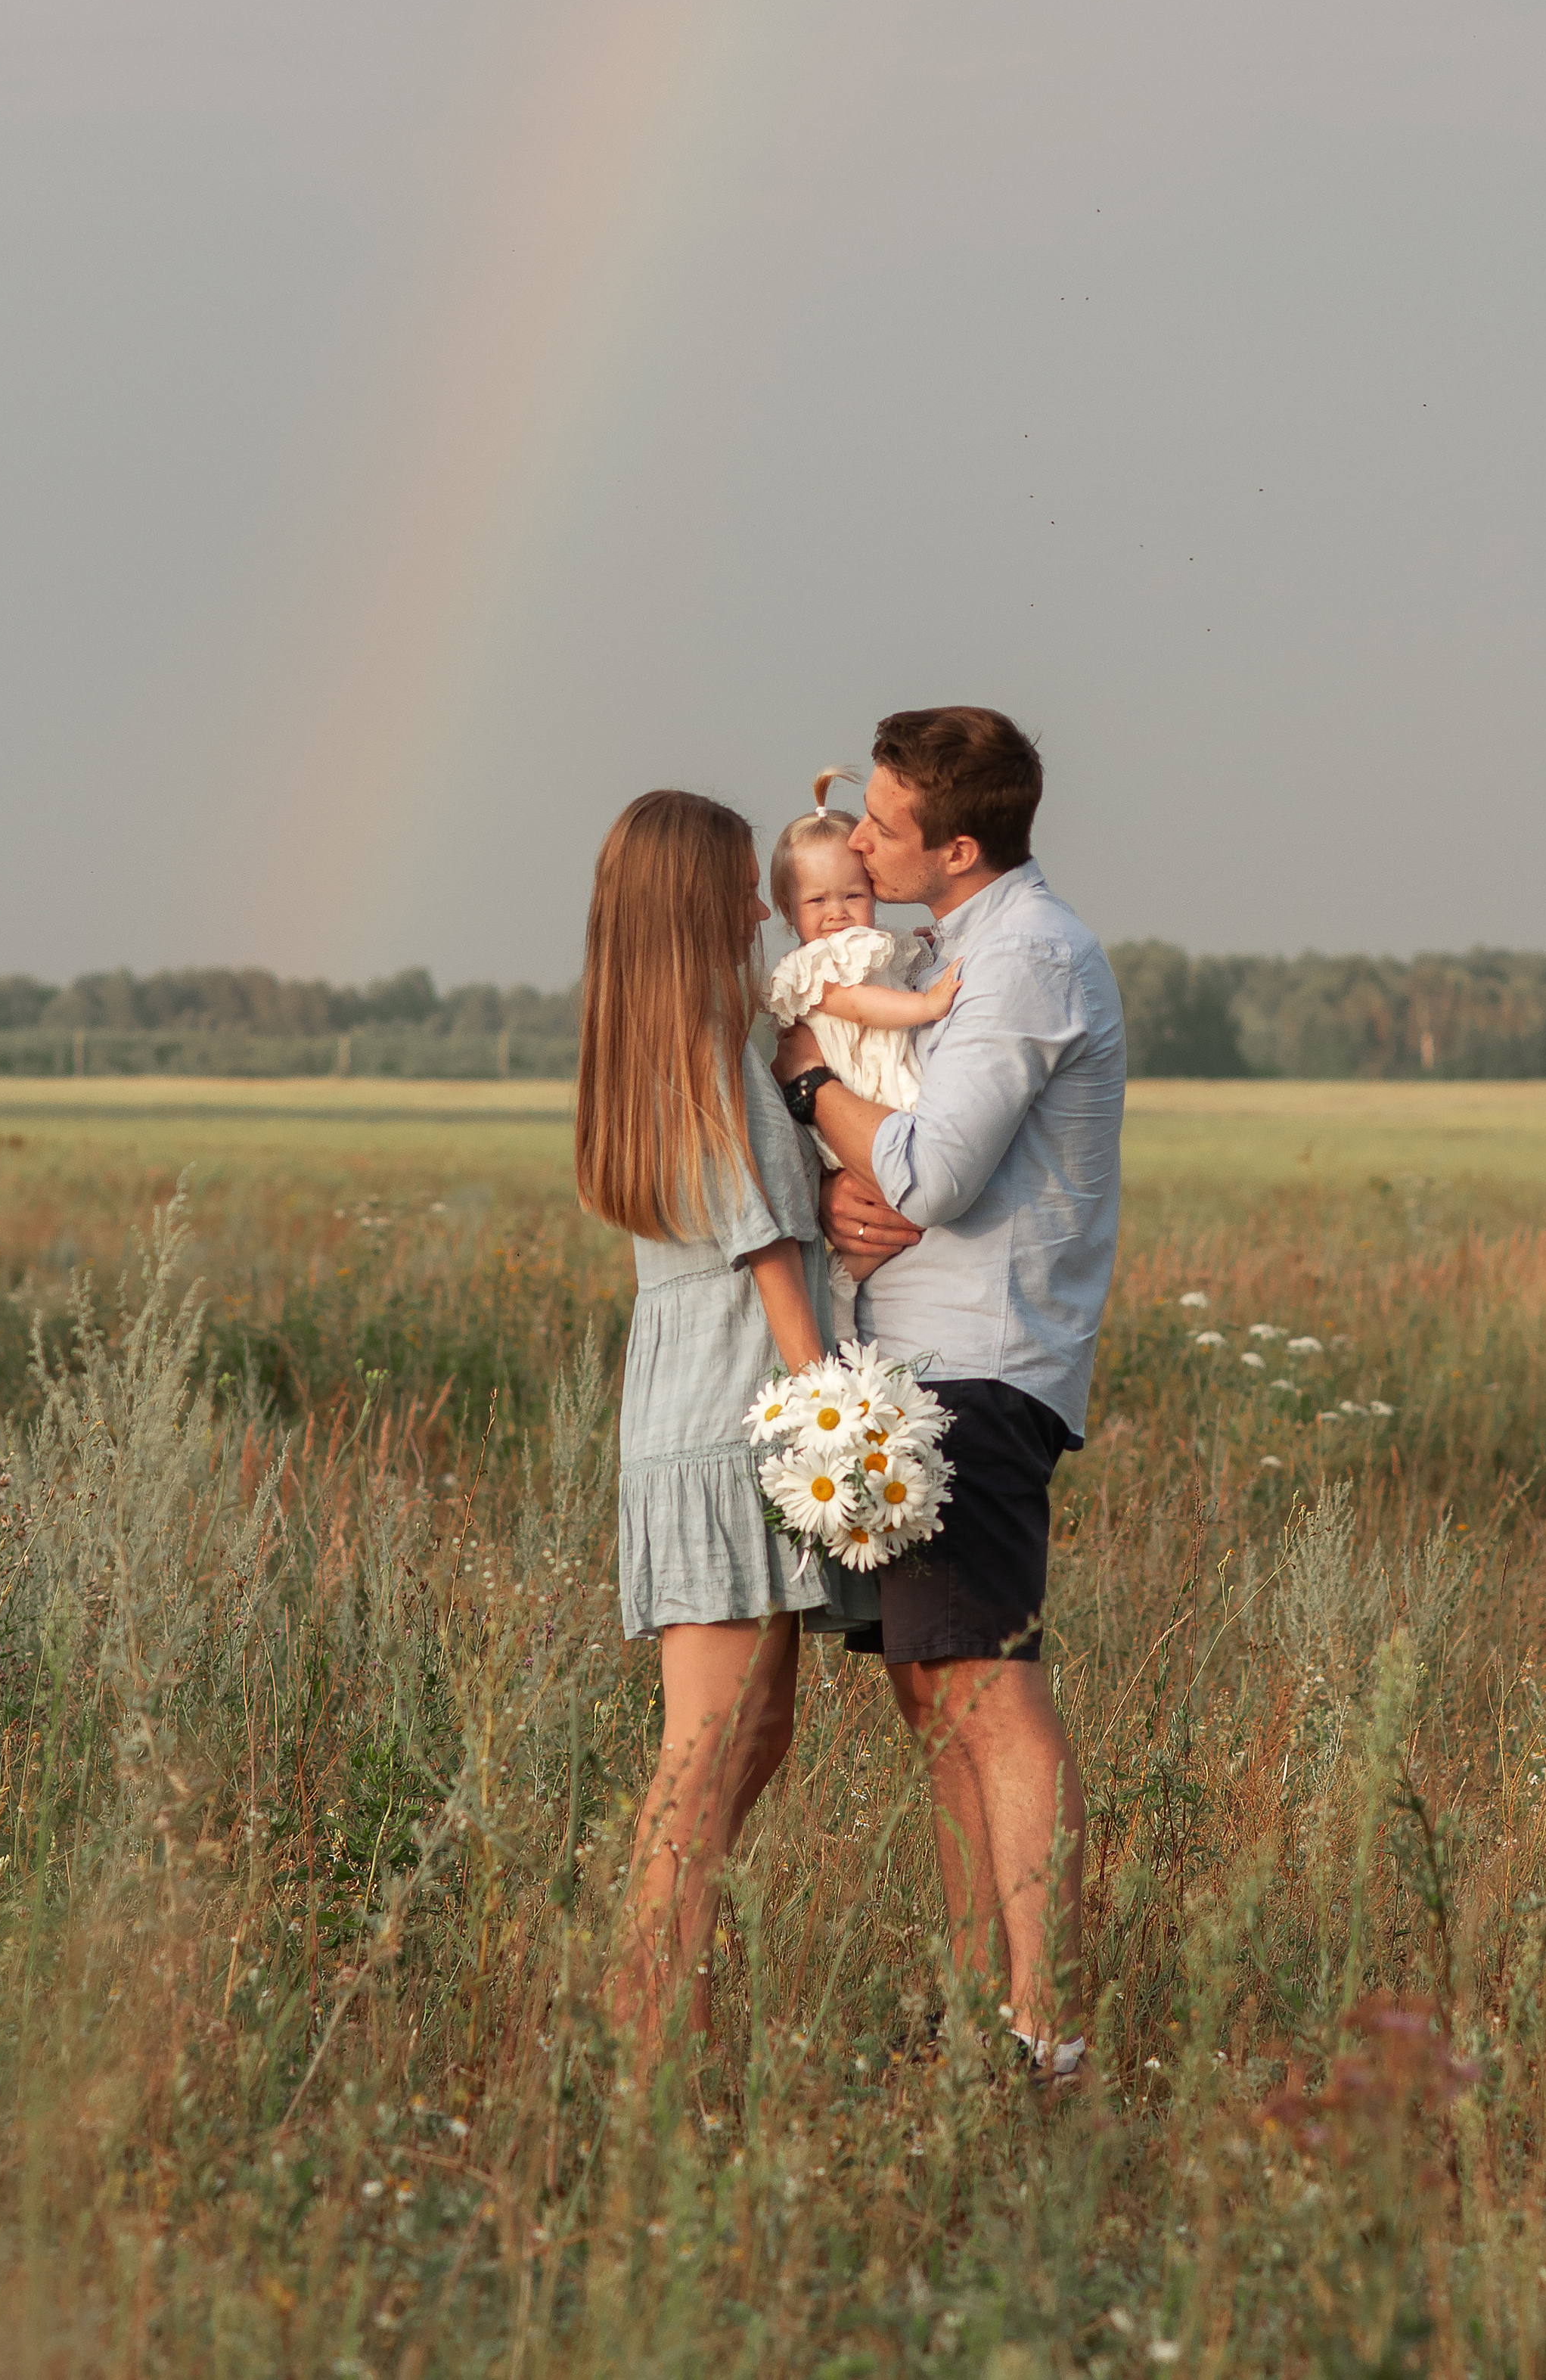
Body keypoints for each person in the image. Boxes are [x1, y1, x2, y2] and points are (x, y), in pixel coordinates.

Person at [769, 707, 1125, 2079]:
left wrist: (810, 1088)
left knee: (988, 1687)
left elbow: (928, 1174)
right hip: (917, 1361)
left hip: (980, 1369)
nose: (855, 841)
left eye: (881, 823)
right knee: (936, 1690)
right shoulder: (948, 951)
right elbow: (894, 1172)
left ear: (958, 845)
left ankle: (1044, 2030)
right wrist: (844, 1194)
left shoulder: (1025, 959)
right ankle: (990, 2014)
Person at [576, 788, 872, 2062]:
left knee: (745, 1746)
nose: (763, 906)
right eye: (743, 886)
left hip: (697, 1421)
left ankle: (664, 2027)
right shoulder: (707, 1057)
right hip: (738, 1428)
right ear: (695, 903)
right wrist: (840, 1435)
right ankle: (653, 2049)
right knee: (705, 1766)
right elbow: (768, 1259)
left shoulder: (666, 1046)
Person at [765, 766, 964, 1339]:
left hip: (873, 1079)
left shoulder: (869, 947)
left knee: (901, 1207)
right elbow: (861, 1007)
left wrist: (923, 949)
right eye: (817, 899)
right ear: (788, 909)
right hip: (861, 1091)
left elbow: (886, 975)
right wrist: (925, 1007)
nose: (837, 912)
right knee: (896, 1197)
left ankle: (848, 1301)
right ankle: (840, 1300)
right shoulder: (816, 967)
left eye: (854, 894)